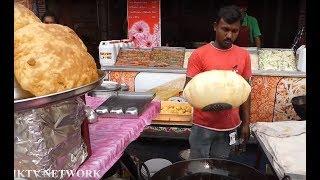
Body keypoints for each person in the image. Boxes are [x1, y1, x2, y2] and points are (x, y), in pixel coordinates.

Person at [184, 5, 252, 159]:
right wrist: (209, 101)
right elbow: (188, 89)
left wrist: (246, 123)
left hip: (230, 126)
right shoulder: (199, 55)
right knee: (197, 167)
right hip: (202, 125)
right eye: (225, 29)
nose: (229, 35)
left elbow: (246, 91)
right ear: (215, 27)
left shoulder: (244, 56)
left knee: (221, 168)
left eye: (234, 31)